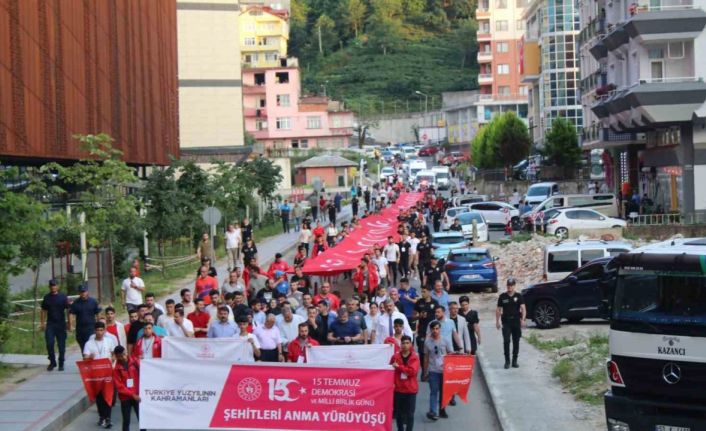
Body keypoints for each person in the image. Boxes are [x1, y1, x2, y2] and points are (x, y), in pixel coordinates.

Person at [83, 322, 117, 428]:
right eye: (98, 330)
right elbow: (85, 358)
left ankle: (108, 418)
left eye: (102, 330)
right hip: (95, 375)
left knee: (108, 395)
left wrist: (113, 358)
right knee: (99, 397)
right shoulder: (89, 343)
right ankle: (102, 416)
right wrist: (90, 358)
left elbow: (114, 354)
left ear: (104, 330)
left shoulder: (109, 341)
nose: (99, 332)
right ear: (95, 331)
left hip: (107, 373)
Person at [423, 321, 453, 421]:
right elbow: (426, 357)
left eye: (437, 328)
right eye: (433, 329)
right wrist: (425, 371)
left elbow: (451, 354)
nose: (435, 331)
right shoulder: (427, 342)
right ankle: (433, 411)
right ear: (431, 330)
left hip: (445, 371)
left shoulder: (446, 340)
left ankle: (442, 410)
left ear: (440, 329)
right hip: (433, 371)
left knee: (444, 392)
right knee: (433, 391)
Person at [496, 277, 526, 369]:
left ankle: (514, 361)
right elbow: (498, 309)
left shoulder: (519, 296)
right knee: (506, 341)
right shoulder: (502, 297)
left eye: (511, 286)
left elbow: (523, 308)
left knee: (516, 341)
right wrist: (497, 321)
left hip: (516, 321)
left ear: (514, 286)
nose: (509, 287)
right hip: (506, 322)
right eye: (508, 286)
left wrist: (523, 320)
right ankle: (507, 361)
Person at [391, 335, 419, 431]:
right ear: (400, 344)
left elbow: (412, 372)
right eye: (403, 343)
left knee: (410, 414)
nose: (405, 345)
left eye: (407, 343)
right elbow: (389, 369)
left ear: (411, 344)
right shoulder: (395, 356)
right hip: (398, 389)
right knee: (398, 414)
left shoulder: (415, 357)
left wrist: (399, 367)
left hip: (411, 390)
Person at [40, 279, 70, 371]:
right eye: (51, 286)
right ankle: (52, 362)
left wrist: (69, 323)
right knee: (49, 343)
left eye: (55, 285)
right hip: (50, 324)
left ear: (57, 286)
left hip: (61, 324)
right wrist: (42, 323)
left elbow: (68, 310)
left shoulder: (63, 297)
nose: (53, 287)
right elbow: (43, 311)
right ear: (49, 287)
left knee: (61, 345)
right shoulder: (46, 297)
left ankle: (61, 362)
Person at [112, 345, 143, 431]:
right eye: (120, 356)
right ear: (117, 357)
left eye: (124, 354)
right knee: (126, 420)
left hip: (137, 395)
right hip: (125, 398)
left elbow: (145, 372)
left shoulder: (135, 361)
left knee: (142, 419)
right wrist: (132, 395)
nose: (123, 357)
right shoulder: (116, 370)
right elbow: (120, 387)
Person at [70, 283, 101, 352]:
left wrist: (99, 325)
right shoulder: (76, 303)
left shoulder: (93, 302)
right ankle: (85, 361)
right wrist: (71, 326)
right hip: (80, 330)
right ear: (79, 293)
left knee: (91, 348)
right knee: (84, 349)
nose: (83, 293)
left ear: (87, 291)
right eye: (81, 292)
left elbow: (98, 313)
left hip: (91, 328)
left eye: (84, 291)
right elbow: (71, 314)